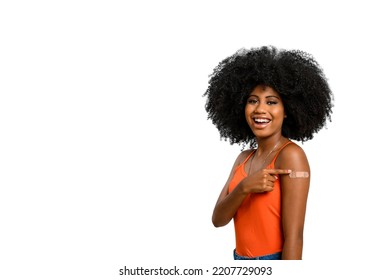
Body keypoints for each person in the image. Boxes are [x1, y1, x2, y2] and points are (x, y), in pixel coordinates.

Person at [204, 46, 333, 260]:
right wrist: (245, 187)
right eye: (253, 100)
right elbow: (218, 219)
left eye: (271, 102)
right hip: (239, 260)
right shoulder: (243, 157)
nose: (259, 109)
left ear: (288, 111)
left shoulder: (291, 156)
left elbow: (295, 237)